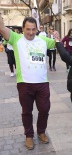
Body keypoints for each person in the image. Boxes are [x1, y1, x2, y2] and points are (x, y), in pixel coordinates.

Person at [0, 16, 56, 150]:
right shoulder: (16, 39)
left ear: (37, 29)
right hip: (24, 83)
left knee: (44, 109)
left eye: (33, 29)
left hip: (42, 83)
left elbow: (56, 43)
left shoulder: (43, 40)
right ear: (23, 29)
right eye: (28, 29)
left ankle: (41, 131)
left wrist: (57, 37)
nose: (31, 32)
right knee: (27, 111)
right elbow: (2, 28)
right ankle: (29, 135)